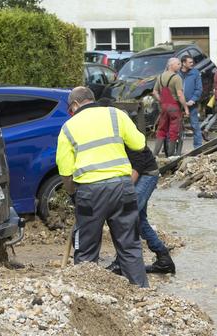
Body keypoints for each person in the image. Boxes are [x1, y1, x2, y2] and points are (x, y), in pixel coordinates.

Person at [55, 86, 148, 287]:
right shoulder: (116, 115)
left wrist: (72, 194)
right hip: (123, 189)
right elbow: (139, 143)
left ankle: (85, 296)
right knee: (130, 246)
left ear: (75, 105)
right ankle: (142, 296)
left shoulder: (68, 127)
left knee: (86, 250)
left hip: (90, 193)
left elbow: (65, 171)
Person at [106, 145, 176, 275]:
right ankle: (164, 259)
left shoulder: (123, 129)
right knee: (140, 221)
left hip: (146, 174)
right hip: (134, 174)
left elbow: (138, 164)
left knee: (128, 216)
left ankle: (121, 262)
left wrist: (125, 189)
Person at [152, 57, 189, 157]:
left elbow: (155, 92)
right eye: (178, 64)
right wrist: (185, 108)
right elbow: (180, 94)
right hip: (174, 107)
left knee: (161, 129)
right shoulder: (177, 78)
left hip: (164, 106)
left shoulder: (160, 77)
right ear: (171, 65)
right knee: (173, 131)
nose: (180, 66)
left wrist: (161, 100)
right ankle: (171, 156)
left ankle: (155, 154)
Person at [179, 55, 203, 149]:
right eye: (190, 62)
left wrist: (193, 99)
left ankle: (198, 147)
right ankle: (174, 149)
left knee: (195, 125)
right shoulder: (177, 73)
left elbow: (199, 88)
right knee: (176, 126)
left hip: (192, 104)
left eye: (192, 62)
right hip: (179, 104)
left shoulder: (195, 73)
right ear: (183, 63)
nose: (192, 64)